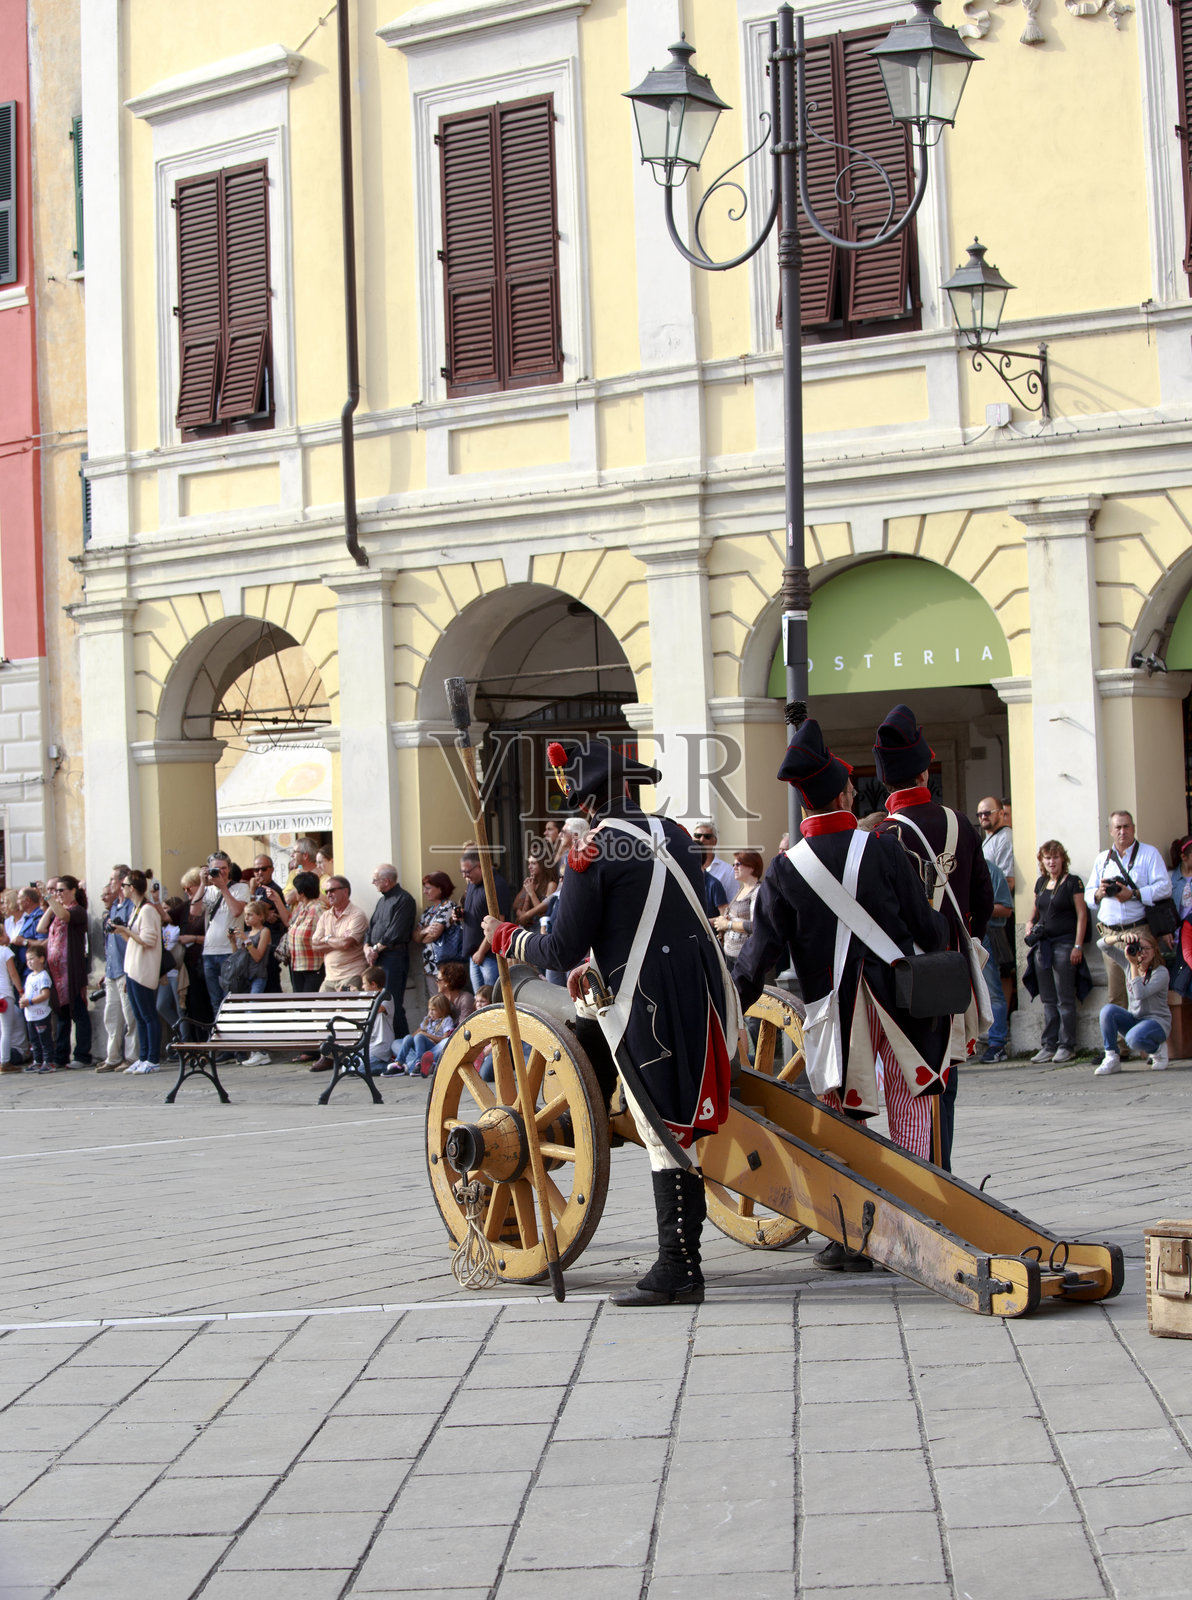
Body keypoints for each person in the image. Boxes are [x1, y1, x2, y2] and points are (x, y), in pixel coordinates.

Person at [484, 741, 738, 1309]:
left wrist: (506, 936)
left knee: (661, 1130)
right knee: (674, 1123)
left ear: (587, 801)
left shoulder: (592, 850)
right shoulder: (674, 834)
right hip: (696, 989)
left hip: (644, 1000)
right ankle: (680, 1261)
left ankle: (679, 1269)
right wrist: (598, 965)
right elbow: (657, 912)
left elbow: (560, 946)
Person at [733, 713, 951, 1266]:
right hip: (899, 1001)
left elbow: (760, 958)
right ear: (843, 793)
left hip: (834, 1010)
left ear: (805, 804)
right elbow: (927, 930)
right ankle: (919, 1225)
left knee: (840, 1120)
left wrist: (730, 1004)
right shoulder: (882, 849)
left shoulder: (785, 871)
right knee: (911, 1109)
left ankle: (850, 1235)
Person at [871, 705, 994, 1167]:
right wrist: (962, 945)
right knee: (948, 1082)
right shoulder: (961, 823)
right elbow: (982, 901)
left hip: (907, 977)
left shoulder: (882, 836)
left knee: (915, 1083)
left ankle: (927, 1175)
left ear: (886, 782)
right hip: (953, 969)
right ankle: (942, 1171)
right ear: (925, 772)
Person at [1088, 811, 1174, 1009]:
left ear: (1133, 828)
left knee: (1143, 992)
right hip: (1111, 935)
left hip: (1139, 931)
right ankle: (1120, 1030)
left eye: (1126, 826)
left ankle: (1144, 1029)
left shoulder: (1149, 854)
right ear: (1110, 831)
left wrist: (1134, 893)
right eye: (1117, 827)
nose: (1122, 831)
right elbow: (1089, 894)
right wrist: (1099, 893)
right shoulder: (1102, 859)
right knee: (1116, 995)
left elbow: (1165, 887)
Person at [1023, 840, 1088, 1063]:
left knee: (1065, 998)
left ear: (1063, 859)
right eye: (1047, 858)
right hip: (1043, 946)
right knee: (1048, 999)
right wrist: (1029, 924)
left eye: (1055, 857)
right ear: (1042, 861)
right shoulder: (1041, 883)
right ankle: (1049, 1044)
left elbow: (1082, 915)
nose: (1052, 862)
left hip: (1065, 944)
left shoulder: (1072, 882)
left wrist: (1078, 945)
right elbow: (1036, 910)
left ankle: (1067, 1045)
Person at [307, 876, 369, 1073]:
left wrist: (326, 939)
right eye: (326, 891)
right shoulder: (326, 916)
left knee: (345, 1016)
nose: (329, 894)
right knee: (319, 1013)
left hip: (351, 973)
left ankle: (346, 1055)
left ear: (345, 891)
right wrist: (333, 939)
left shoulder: (357, 915)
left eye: (333, 890)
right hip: (330, 976)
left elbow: (347, 943)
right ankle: (329, 1055)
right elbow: (314, 945)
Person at [1095, 927, 1171, 1073]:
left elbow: (1139, 994)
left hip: (1157, 1023)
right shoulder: (1128, 962)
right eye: (1139, 948)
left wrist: (1132, 964)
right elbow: (1101, 945)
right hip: (1135, 1019)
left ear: (1155, 950)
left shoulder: (1161, 973)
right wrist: (1120, 938)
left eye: (1147, 948)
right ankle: (1111, 1058)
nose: (1143, 953)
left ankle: (1158, 1049)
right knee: (1107, 1010)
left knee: (1133, 1039)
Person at [110, 870, 163, 1073]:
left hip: (143, 970)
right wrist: (121, 931)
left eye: (124, 885)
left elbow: (148, 940)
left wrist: (125, 930)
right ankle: (143, 1057)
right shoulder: (136, 909)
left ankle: (153, 1059)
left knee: (148, 1015)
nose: (121, 888)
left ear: (131, 888)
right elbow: (134, 940)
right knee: (139, 1017)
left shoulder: (147, 910)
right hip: (132, 969)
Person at [38, 875, 92, 1068]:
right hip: (57, 974)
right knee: (61, 1015)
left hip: (72, 972)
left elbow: (64, 917)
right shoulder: (58, 909)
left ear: (73, 891)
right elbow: (41, 927)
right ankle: (61, 1056)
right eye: (56, 891)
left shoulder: (77, 910)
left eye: (61, 890)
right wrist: (51, 902)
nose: (58, 894)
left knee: (78, 1012)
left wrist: (49, 898)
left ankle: (82, 1055)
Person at [364, 865, 416, 1036]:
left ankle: (401, 1044)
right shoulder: (381, 901)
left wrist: (375, 949)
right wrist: (367, 947)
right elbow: (372, 926)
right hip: (377, 957)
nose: (373, 882)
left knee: (391, 1001)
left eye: (375, 879)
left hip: (394, 957)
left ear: (387, 881)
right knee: (377, 1002)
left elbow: (395, 931)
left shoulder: (404, 899)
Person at [200, 852, 250, 1015]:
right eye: (216, 869)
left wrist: (223, 887)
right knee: (215, 1001)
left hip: (230, 951)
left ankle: (232, 1031)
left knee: (230, 1000)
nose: (220, 872)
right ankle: (219, 1031)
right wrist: (202, 883)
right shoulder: (207, 890)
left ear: (229, 869)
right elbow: (194, 912)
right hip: (209, 952)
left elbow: (236, 911)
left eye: (223, 868)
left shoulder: (240, 888)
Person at [97, 876, 138, 1071]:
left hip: (125, 967)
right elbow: (109, 942)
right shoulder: (114, 907)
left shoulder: (130, 907)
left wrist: (129, 970)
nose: (110, 882)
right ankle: (112, 1056)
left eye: (113, 879)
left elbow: (132, 937)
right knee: (111, 1016)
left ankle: (132, 1056)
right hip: (112, 970)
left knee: (130, 1016)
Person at [459, 851, 513, 994]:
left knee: (491, 998)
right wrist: (462, 915)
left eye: (467, 871)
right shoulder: (472, 884)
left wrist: (481, 952)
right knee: (479, 1000)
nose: (464, 876)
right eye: (462, 872)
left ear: (479, 866)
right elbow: (477, 911)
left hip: (490, 956)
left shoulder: (496, 885)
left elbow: (498, 923)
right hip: (475, 954)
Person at [411, 872, 462, 990]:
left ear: (440, 889)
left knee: (447, 996)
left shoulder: (448, 906)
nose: (424, 891)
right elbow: (415, 937)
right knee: (434, 998)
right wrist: (424, 931)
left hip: (445, 963)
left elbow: (434, 935)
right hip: (429, 964)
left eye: (428, 888)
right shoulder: (428, 911)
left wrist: (422, 935)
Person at [386, 992, 455, 1076]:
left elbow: (444, 1039)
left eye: (433, 1010)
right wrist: (409, 1041)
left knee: (445, 1041)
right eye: (429, 1009)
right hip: (421, 1049)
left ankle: (418, 1064)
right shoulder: (427, 1020)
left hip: (433, 1049)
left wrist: (427, 1035)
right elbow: (414, 1036)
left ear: (442, 1009)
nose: (430, 1012)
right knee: (402, 1040)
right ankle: (399, 1064)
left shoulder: (447, 1020)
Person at [286, 871, 325, 996]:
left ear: (301, 893)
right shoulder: (301, 908)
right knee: (299, 1002)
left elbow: (327, 932)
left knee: (309, 1002)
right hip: (297, 965)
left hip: (313, 967)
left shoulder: (317, 909)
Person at [19, 943, 55, 1072]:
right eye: (27, 959)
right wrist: (23, 1000)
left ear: (41, 959)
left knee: (44, 1039)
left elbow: (45, 994)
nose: (29, 962)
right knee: (34, 1040)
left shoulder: (43, 976)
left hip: (41, 1014)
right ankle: (37, 1061)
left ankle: (49, 1062)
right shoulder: (29, 977)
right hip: (30, 1015)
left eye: (32, 958)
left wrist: (30, 1001)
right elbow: (26, 992)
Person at [360, 965, 396, 1075]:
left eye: (364, 984)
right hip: (368, 1046)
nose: (362, 987)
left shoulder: (386, 996)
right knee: (347, 1067)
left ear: (373, 984)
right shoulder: (366, 998)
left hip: (381, 1047)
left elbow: (378, 1009)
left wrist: (359, 995)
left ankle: (392, 1066)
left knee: (359, 1069)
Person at [693, 820, 736, 909]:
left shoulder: (727, 871)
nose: (702, 839)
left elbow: (733, 903)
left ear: (714, 841)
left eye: (707, 836)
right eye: (698, 836)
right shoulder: (685, 868)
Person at [0, 931, 22, 1072]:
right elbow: (13, 973)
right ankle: (5, 1061)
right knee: (6, 1030)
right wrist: (20, 990)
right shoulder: (5, 951)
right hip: (4, 993)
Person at [250, 855, 291, 928]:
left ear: (272, 870)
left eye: (264, 869)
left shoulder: (273, 889)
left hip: (271, 932)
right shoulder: (257, 887)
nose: (260, 872)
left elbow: (254, 910)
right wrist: (266, 913)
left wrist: (252, 890)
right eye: (256, 870)